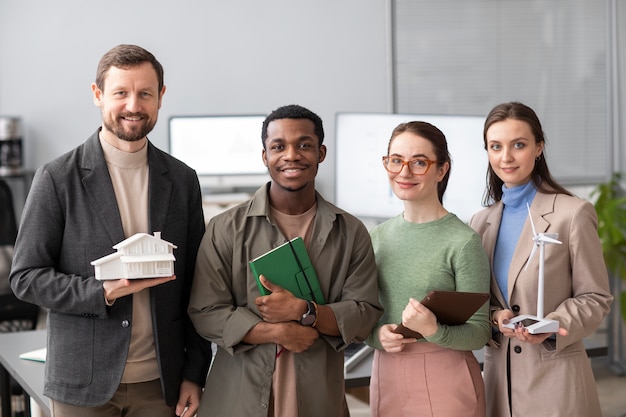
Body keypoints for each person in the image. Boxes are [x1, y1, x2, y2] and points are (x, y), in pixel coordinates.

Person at [9, 44, 212, 417]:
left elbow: (197, 285)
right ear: (98, 95)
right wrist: (102, 291)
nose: (133, 105)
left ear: (160, 97)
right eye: (120, 93)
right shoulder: (57, 178)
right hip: (83, 383)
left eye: (145, 93)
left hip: (161, 382)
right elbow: (26, 277)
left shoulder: (182, 180)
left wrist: (194, 373)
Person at [188, 104, 383, 417]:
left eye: (304, 145)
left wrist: (305, 312)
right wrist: (276, 331)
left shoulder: (351, 231)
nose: (291, 155)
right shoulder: (226, 228)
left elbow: (364, 313)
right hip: (237, 399)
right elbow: (205, 312)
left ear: (321, 153)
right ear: (265, 156)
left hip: (318, 398)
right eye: (278, 146)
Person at [469, 101, 613, 417]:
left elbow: (595, 296)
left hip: (556, 383)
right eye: (496, 146)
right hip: (499, 385)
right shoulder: (480, 223)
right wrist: (496, 318)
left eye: (518, 145)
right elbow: (477, 301)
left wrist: (555, 324)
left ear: (538, 147)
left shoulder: (572, 213)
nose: (505, 157)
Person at [365, 121, 491, 417]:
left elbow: (479, 332)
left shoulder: (463, 242)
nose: (404, 172)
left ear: (442, 169)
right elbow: (366, 313)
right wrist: (376, 335)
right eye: (396, 161)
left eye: (419, 162)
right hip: (386, 373)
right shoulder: (378, 237)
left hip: (445, 376)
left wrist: (433, 330)